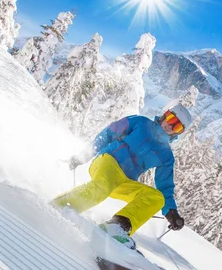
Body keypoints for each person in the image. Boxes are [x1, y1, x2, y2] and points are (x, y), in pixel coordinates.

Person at [52, 103, 191, 248]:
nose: (170, 125)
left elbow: (165, 187)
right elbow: (107, 134)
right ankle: (61, 207)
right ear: (165, 115)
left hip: (124, 181)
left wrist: (171, 212)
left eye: (176, 126)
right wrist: (84, 155)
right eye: (170, 118)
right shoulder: (140, 122)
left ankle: (116, 227)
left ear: (178, 133)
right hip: (107, 161)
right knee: (103, 186)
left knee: (157, 198)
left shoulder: (166, 156)